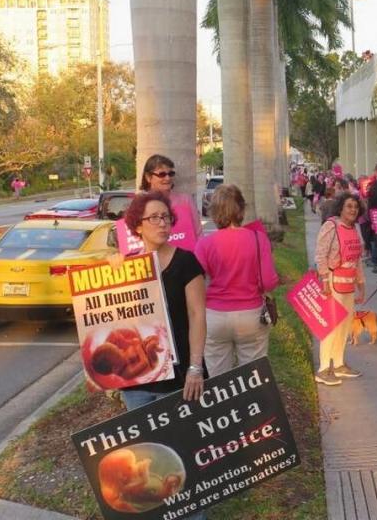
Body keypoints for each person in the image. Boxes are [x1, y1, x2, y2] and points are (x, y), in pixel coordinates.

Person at [116, 192, 206, 520]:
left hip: (182, 376)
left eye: (166, 217)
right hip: (137, 382)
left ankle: (192, 514)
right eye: (154, 218)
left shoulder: (186, 262)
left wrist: (196, 367)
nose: (162, 223)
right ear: (137, 226)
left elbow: (198, 316)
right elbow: (116, 324)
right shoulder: (125, 268)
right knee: (147, 456)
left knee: (183, 452)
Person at [194, 185, 279, 376]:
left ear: (214, 211)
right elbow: (269, 282)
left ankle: (224, 407)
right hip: (251, 315)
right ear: (241, 209)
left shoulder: (205, 244)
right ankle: (253, 405)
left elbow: (196, 282)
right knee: (253, 377)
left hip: (214, 316)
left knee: (218, 379)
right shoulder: (258, 238)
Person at [314, 193, 367, 386]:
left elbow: (357, 259)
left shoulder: (355, 228)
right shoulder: (331, 226)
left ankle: (338, 364)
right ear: (340, 208)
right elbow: (320, 255)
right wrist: (325, 281)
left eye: (355, 207)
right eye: (349, 206)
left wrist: (361, 285)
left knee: (344, 327)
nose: (353, 210)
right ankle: (323, 369)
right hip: (333, 284)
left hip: (348, 285)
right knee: (331, 327)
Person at [139, 154, 203, 245]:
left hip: (186, 257)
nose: (167, 178)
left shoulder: (185, 200)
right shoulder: (140, 204)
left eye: (171, 174)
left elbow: (199, 233)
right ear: (148, 177)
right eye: (162, 174)